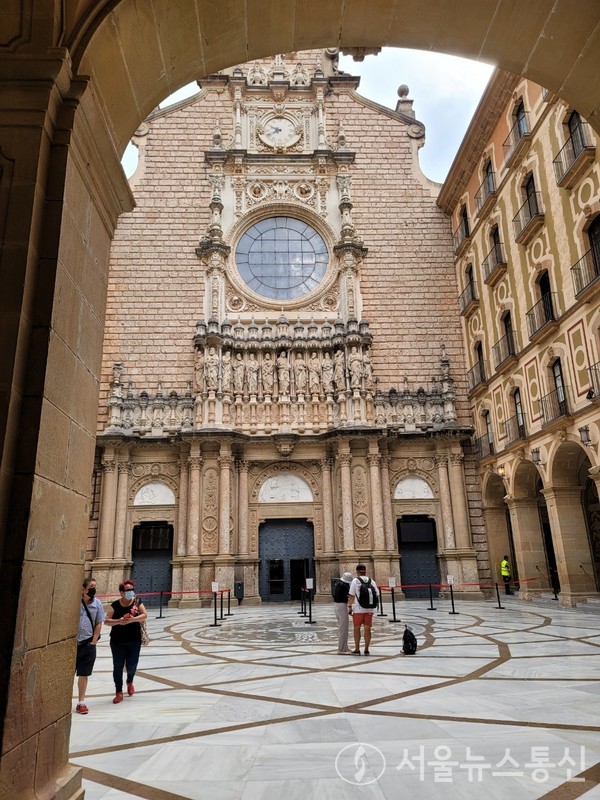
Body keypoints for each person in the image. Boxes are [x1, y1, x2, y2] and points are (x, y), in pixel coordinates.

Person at [105, 579, 148, 703]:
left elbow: (144, 615)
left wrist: (132, 619)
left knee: (132, 665)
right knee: (117, 666)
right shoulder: (115, 605)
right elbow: (107, 620)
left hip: (134, 640)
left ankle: (130, 681)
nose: (130, 592)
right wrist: (119, 621)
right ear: (121, 593)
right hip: (117, 641)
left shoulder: (137, 602)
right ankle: (118, 691)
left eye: (132, 590)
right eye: (127, 590)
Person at [75, 577, 105, 714]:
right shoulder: (74, 602)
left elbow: (99, 623)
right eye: (91, 587)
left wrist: (94, 641)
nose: (93, 589)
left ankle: (81, 702)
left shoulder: (97, 604)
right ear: (83, 589)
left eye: (95, 586)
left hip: (88, 643)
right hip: (73, 643)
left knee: (84, 674)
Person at [347, 564, 379, 655]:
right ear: (365, 571)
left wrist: (349, 607)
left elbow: (352, 595)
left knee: (356, 628)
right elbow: (377, 594)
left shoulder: (355, 581)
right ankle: (366, 649)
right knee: (367, 629)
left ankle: (357, 648)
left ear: (357, 571)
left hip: (358, 609)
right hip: (369, 609)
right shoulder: (371, 581)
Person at [333, 572, 353, 654]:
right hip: (342, 606)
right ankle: (342, 649)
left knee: (342, 627)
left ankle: (344, 647)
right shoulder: (344, 586)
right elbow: (348, 596)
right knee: (343, 628)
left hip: (336, 606)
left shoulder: (338, 584)